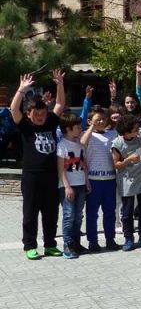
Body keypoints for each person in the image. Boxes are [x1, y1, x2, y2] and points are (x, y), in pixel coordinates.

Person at [12, 72, 66, 260]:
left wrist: (59, 84)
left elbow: (59, 105)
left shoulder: (50, 122)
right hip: (31, 176)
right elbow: (14, 109)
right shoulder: (26, 126)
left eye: (43, 114)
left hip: (51, 175)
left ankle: (50, 244)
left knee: (51, 212)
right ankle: (29, 245)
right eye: (37, 114)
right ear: (29, 114)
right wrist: (21, 89)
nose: (41, 117)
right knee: (30, 212)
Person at [79, 105, 120, 252]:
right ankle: (93, 241)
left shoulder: (113, 134)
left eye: (103, 119)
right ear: (90, 121)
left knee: (110, 212)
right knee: (92, 213)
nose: (101, 122)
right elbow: (82, 142)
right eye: (97, 120)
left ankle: (110, 239)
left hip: (110, 179)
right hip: (93, 180)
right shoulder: (86, 134)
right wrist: (91, 127)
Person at [112, 113, 141, 252]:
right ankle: (128, 238)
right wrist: (128, 159)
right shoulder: (117, 143)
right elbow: (116, 165)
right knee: (127, 213)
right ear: (126, 132)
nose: (137, 131)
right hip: (127, 182)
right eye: (134, 129)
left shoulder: (140, 135)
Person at [56, 112, 90, 259]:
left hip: (81, 183)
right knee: (69, 216)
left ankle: (76, 243)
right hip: (67, 186)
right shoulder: (62, 145)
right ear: (68, 128)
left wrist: (87, 181)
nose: (80, 129)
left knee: (78, 215)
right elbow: (61, 169)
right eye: (77, 127)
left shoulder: (79, 144)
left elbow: (83, 164)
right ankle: (68, 244)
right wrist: (67, 187)